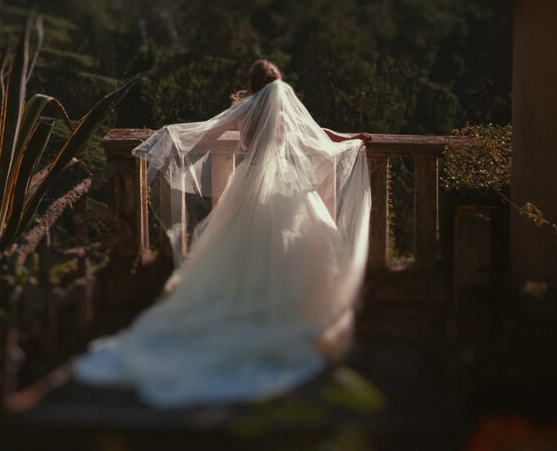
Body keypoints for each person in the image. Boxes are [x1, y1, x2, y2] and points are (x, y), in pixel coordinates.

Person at [72, 60, 372, 408]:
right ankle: (283, 314)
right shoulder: (283, 102)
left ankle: (247, 309)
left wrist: (171, 135)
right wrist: (349, 139)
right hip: (287, 183)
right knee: (289, 245)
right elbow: (316, 134)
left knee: (240, 250)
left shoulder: (244, 107)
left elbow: (209, 134)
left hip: (249, 181)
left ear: (252, 83)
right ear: (279, 82)